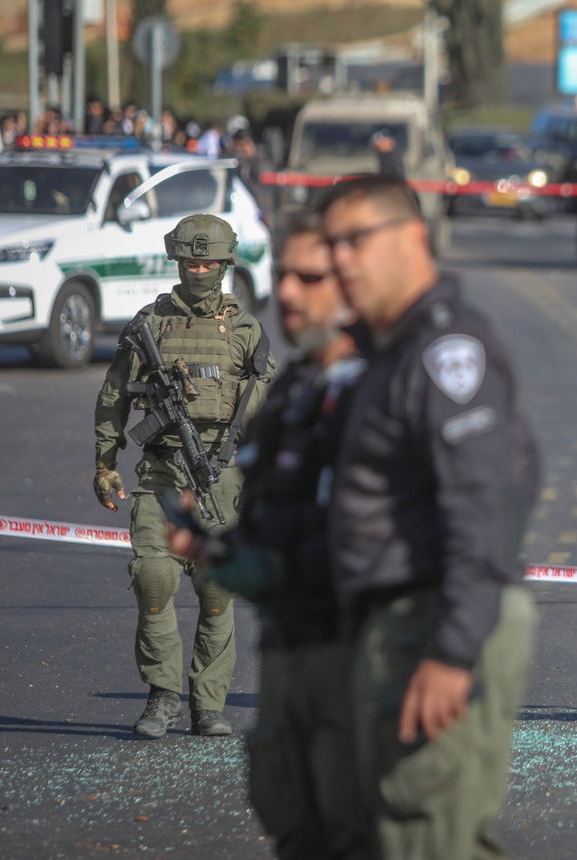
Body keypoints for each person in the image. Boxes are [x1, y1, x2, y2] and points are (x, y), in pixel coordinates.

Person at [318, 175, 540, 856]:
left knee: (426, 837)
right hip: (393, 625)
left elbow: (486, 505)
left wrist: (451, 651)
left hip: (433, 621)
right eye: (332, 244)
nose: (340, 260)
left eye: (357, 239)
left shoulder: (447, 352)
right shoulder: (384, 350)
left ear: (414, 238)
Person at [172, 212, 373, 857]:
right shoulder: (291, 393)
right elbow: (275, 540)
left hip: (371, 663)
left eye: (309, 278)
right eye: (283, 274)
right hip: (295, 661)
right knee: (295, 821)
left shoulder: (393, 390)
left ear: (352, 289)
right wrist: (215, 554)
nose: (287, 292)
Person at [93, 214, 277, 738]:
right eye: (191, 263)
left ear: (225, 264)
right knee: (153, 578)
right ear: (176, 261)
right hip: (161, 470)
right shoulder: (149, 325)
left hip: (222, 474)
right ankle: (162, 697)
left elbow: (270, 410)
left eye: (208, 263)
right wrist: (105, 464)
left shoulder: (245, 330)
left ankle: (208, 705)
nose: (199, 271)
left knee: (216, 589)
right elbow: (114, 397)